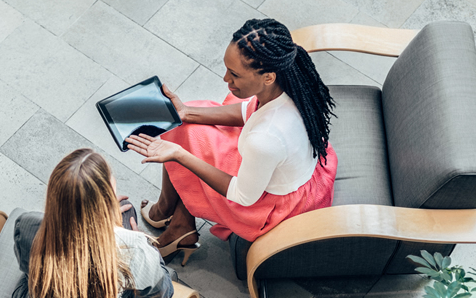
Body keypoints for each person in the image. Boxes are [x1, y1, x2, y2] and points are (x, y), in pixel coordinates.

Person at [126, 18, 338, 265]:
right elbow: (247, 111)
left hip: (268, 205)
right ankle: (173, 215)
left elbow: (243, 196)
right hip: (285, 169)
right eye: (227, 68)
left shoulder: (266, 137)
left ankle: (173, 220)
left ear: (268, 76)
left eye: (235, 74)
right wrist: (186, 112)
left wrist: (179, 155)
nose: (226, 79)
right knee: (189, 120)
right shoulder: (287, 84)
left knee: (185, 146)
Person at [11, 148, 174, 298]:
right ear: (105, 200)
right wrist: (140, 241)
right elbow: (162, 295)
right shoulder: (133, 249)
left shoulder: (28, 224)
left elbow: (26, 269)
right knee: (128, 211)